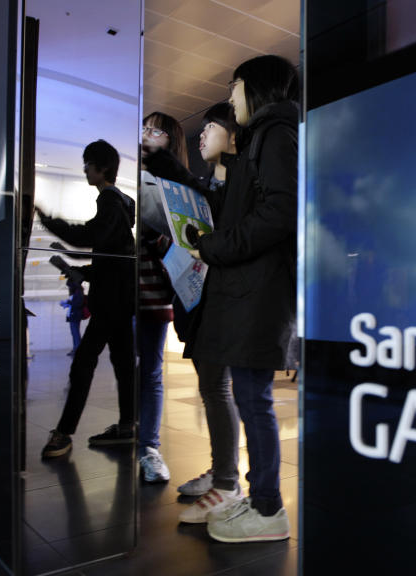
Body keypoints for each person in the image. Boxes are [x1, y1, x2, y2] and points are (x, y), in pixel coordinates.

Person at [151, 55, 298, 542]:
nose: (230, 96)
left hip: (260, 293)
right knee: (250, 398)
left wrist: (214, 245)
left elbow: (279, 213)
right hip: (249, 291)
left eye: (234, 86)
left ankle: (268, 509)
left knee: (254, 400)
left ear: (253, 87)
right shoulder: (265, 137)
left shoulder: (276, 134)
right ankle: (256, 500)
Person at [36, 140, 136, 459]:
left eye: (87, 163)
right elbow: (115, 256)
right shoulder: (122, 203)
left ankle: (64, 433)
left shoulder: (109, 200)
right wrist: (84, 270)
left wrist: (48, 221)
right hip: (121, 298)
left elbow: (86, 237)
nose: (84, 169)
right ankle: (126, 426)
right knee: (122, 363)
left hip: (110, 302)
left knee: (83, 363)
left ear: (102, 168)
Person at [174, 103, 243, 519]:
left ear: (233, 135)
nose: (202, 135)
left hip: (227, 300)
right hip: (200, 298)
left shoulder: (239, 185)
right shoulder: (204, 188)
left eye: (211, 127)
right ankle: (223, 471)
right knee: (212, 389)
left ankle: (227, 480)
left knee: (222, 389)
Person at [133, 112, 189, 482]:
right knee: (132, 368)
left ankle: (148, 447)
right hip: (129, 289)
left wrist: (155, 238)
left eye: (157, 130)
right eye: (146, 127)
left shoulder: (176, 187)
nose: (147, 134)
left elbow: (181, 243)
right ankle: (134, 434)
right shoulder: (140, 179)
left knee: (150, 370)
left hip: (156, 292)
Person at [61, 275, 86, 356]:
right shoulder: (77, 291)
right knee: (74, 333)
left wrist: (69, 302)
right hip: (73, 314)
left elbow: (78, 303)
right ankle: (76, 348)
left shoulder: (78, 291)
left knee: (75, 333)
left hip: (75, 314)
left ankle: (78, 349)